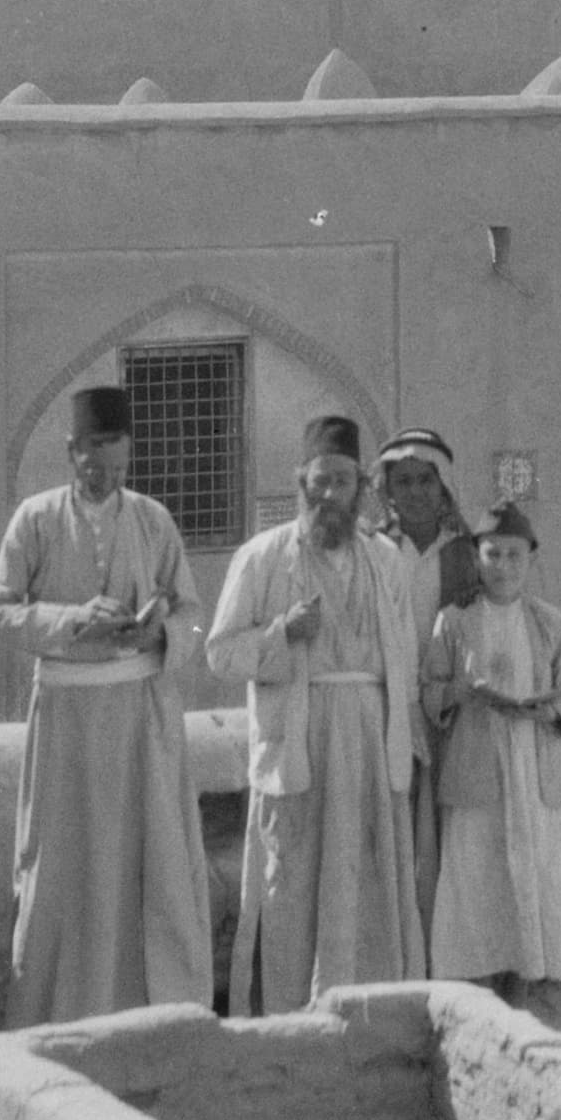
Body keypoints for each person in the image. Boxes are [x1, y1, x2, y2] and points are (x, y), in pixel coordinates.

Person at [0, 385, 212, 1026]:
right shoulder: (35, 519)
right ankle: (61, 1015)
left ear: (129, 455)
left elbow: (192, 613)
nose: (102, 471)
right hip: (68, 725)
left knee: (145, 863)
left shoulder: (154, 520)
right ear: (70, 451)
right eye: (90, 457)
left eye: (115, 459)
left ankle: (146, 1014)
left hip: (140, 719)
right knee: (65, 866)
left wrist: (157, 632)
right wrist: (70, 620)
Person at [206, 413, 425, 1014]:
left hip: (371, 739)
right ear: (299, 480)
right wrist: (282, 634)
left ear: (362, 489)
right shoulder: (262, 557)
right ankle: (291, 1014)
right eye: (320, 481)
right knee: (293, 879)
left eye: (344, 483)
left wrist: (405, 737)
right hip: (299, 740)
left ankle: (371, 1011)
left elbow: (403, 654)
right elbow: (221, 653)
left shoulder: (385, 560)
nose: (330, 495)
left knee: (370, 879)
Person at [421, 500, 561, 997]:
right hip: (478, 762)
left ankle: (525, 981)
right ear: (477, 558)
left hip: (533, 763)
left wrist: (549, 713)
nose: (503, 567)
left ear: (531, 561)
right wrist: (459, 693)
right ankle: (479, 983)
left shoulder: (548, 622)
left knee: (534, 871)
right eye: (493, 555)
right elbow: (429, 691)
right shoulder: (453, 621)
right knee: (478, 875)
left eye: (515, 556)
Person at [370, 427, 480, 925]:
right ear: (387, 490)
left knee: (448, 832)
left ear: (442, 488)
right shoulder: (371, 550)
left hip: (449, 715)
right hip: (386, 709)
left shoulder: (467, 553)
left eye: (425, 480)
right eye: (404, 481)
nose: (415, 491)